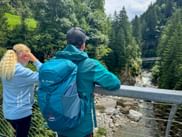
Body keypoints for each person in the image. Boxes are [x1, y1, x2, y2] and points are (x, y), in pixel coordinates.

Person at [55, 27, 121, 137]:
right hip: (81, 128)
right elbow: (114, 83)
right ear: (82, 44)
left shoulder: (56, 62)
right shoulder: (90, 64)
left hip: (60, 124)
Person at [0, 43, 42, 137]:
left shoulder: (5, 69)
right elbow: (47, 76)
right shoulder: (22, 72)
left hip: (8, 113)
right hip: (21, 113)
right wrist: (35, 60)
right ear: (24, 56)